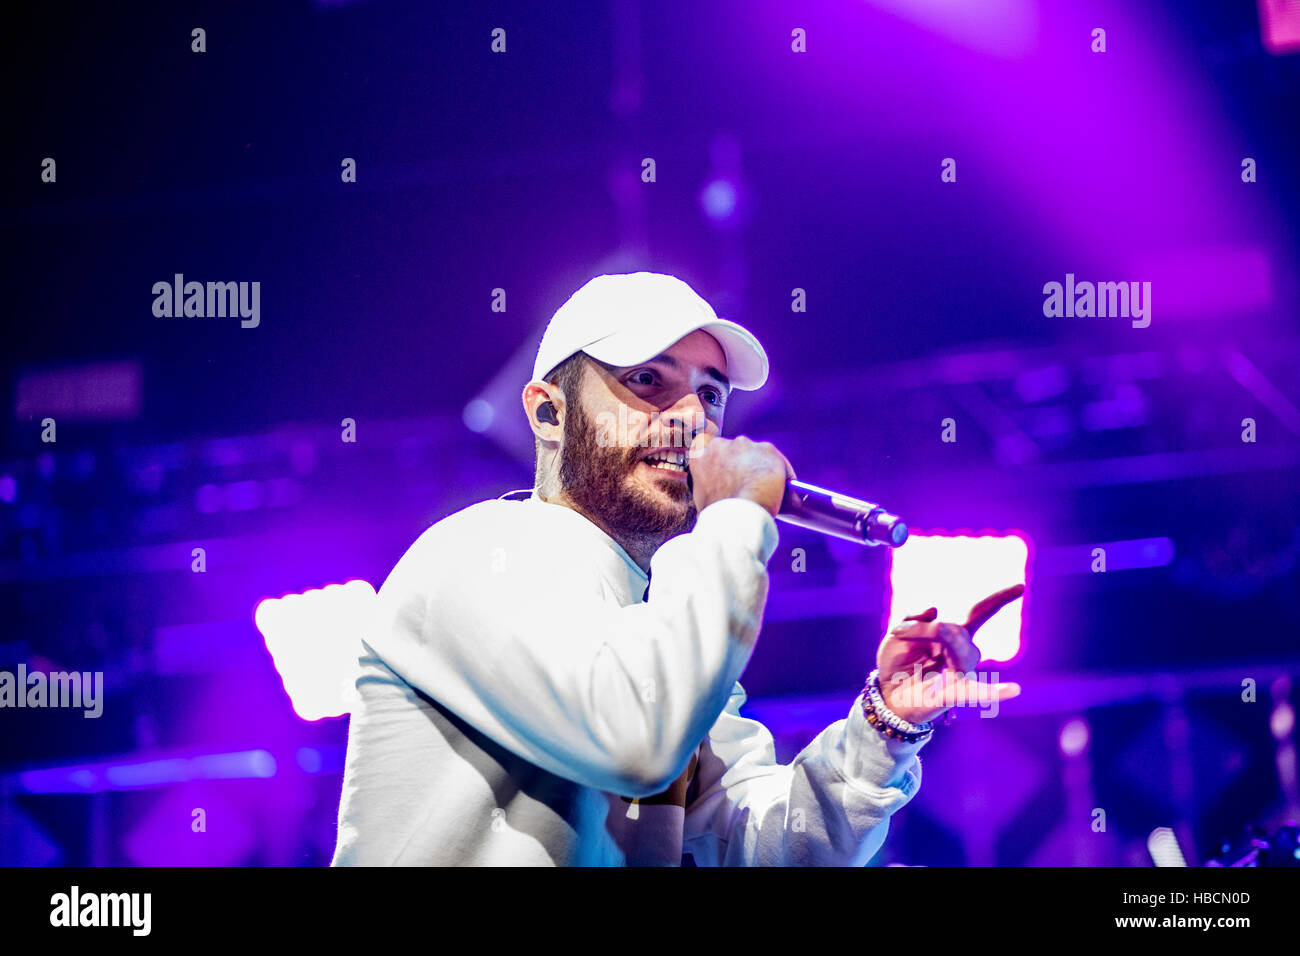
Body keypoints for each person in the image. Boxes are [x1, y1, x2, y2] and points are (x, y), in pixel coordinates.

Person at [331, 271, 1022, 866]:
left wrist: (883, 727)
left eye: (711, 394)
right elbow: (635, 738)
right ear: (548, 413)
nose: (693, 418)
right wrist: (738, 518)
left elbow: (762, 847)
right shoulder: (479, 553)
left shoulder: (661, 627)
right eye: (647, 381)